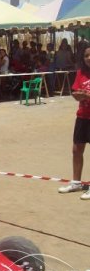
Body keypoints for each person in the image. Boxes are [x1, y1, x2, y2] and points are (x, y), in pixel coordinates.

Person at [58, 43, 90, 200]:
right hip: (82, 116)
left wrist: (88, 96)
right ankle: (76, 182)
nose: (89, 58)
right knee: (77, 150)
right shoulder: (80, 73)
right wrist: (78, 95)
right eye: (86, 56)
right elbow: (75, 90)